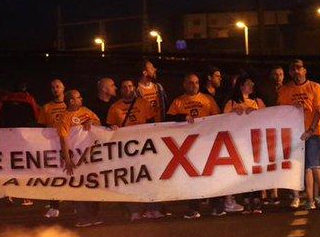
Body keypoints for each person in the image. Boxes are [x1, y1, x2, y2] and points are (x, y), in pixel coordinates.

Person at [168, 73, 233, 219]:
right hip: (187, 146)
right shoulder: (178, 101)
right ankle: (193, 207)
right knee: (192, 176)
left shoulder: (207, 99)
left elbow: (217, 117)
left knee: (212, 174)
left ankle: (216, 205)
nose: (194, 85)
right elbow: (169, 120)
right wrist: (182, 118)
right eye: (191, 83)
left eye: (196, 83)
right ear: (184, 84)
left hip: (206, 143)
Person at [108, 78, 164, 221]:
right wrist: (112, 128)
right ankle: (135, 211)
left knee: (149, 178)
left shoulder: (143, 103)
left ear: (134, 88)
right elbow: (108, 129)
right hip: (127, 151)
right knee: (131, 179)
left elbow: (151, 124)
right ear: (121, 90)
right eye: (125, 87)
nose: (128, 89)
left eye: (130, 86)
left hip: (145, 147)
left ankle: (153, 208)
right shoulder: (115, 108)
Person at [278, 59, 320, 210]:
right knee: (306, 167)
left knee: (315, 165)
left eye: (299, 68)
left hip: (313, 132)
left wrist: (311, 130)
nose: (297, 71)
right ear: (290, 72)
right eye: (293, 69)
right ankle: (310, 198)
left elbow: (318, 111)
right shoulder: (286, 90)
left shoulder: (315, 87)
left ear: (305, 70)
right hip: (296, 133)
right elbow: (282, 111)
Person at [57, 89, 103, 227]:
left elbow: (99, 123)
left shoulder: (86, 111)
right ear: (71, 101)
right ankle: (84, 218)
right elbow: (63, 140)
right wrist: (67, 160)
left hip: (91, 157)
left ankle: (94, 216)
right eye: (78, 97)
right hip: (77, 158)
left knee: (94, 184)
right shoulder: (64, 118)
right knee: (78, 187)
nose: (81, 99)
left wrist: (90, 122)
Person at [225, 71, 266, 213]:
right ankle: (246, 198)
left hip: (255, 142)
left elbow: (269, 118)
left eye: (252, 83)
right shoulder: (232, 103)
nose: (252, 85)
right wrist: (233, 114)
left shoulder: (257, 102)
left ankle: (257, 198)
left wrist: (255, 113)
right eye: (249, 83)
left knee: (256, 170)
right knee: (243, 171)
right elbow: (221, 122)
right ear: (241, 86)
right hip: (239, 143)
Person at [38, 79, 69, 219]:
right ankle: (54, 206)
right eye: (52, 87)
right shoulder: (46, 108)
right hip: (53, 147)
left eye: (57, 86)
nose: (55, 89)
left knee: (73, 174)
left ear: (63, 88)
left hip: (70, 144)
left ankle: (77, 205)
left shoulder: (70, 105)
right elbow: (41, 130)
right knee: (53, 175)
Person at [260, 64, 287, 205]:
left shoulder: (288, 89)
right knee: (266, 160)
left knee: (277, 160)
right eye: (276, 74)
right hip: (268, 128)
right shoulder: (265, 90)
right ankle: (264, 191)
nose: (278, 77)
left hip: (283, 129)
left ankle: (275, 191)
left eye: (281, 74)